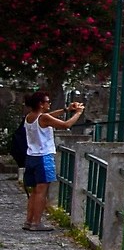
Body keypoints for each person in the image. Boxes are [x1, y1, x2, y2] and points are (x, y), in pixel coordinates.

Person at [18, 91, 82, 231]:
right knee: (42, 191)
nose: (50, 104)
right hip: (43, 157)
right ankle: (37, 223)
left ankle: (29, 221)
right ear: (41, 104)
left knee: (34, 191)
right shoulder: (44, 118)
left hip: (31, 157)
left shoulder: (30, 117)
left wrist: (66, 110)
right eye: (48, 102)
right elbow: (65, 125)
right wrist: (78, 113)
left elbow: (49, 117)